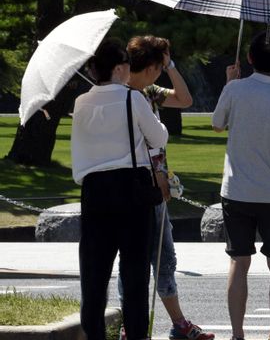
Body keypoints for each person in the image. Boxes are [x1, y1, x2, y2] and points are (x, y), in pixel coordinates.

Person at [115, 36, 212, 340]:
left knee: (162, 256)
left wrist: (171, 66)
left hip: (157, 187)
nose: (162, 70)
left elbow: (184, 100)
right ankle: (136, 324)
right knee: (137, 259)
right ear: (151, 66)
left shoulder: (148, 92)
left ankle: (175, 323)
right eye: (160, 65)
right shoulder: (120, 96)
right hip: (139, 186)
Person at [72, 38, 169, 340]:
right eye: (127, 64)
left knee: (94, 276)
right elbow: (159, 137)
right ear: (118, 68)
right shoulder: (133, 98)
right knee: (135, 274)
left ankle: (95, 335)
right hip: (132, 189)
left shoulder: (81, 102)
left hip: (94, 190)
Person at [212, 32, 270, 340]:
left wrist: (229, 82)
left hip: (237, 190)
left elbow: (217, 123)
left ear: (249, 58)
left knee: (239, 262)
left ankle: (238, 333)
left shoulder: (235, 90)